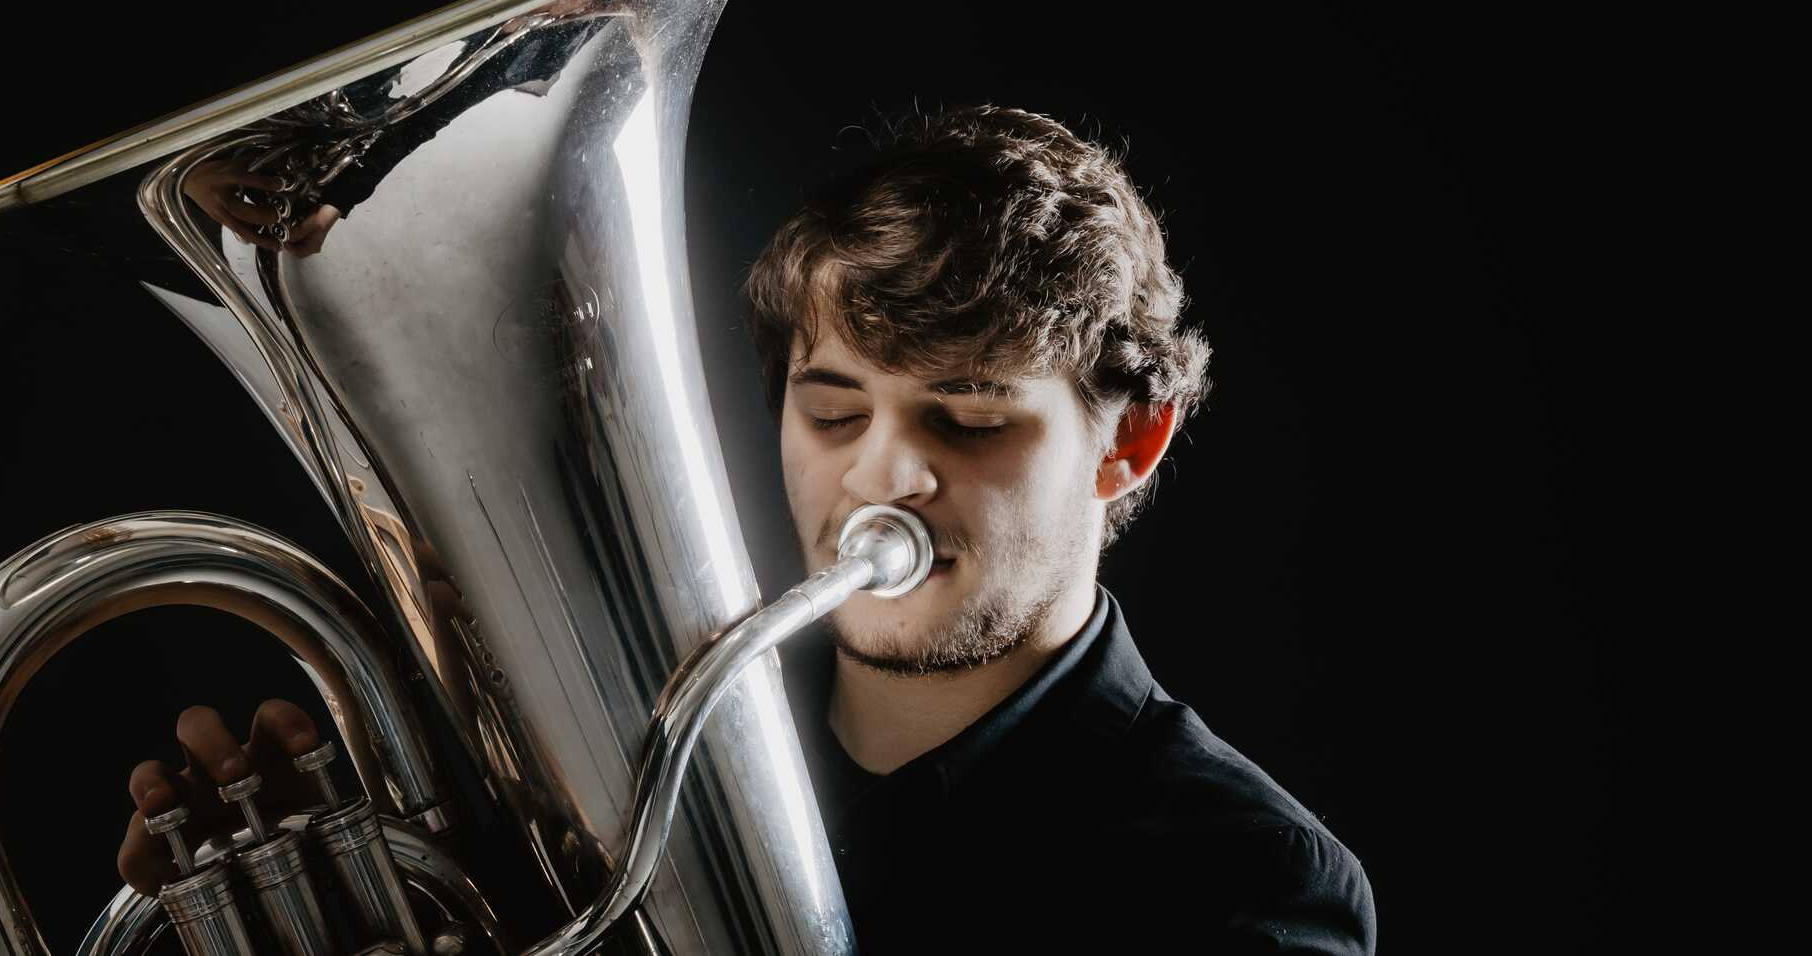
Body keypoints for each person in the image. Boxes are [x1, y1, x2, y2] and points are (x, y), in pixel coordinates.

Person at [119, 99, 1377, 952]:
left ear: (1129, 443)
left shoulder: (1249, 882)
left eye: (968, 418)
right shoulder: (588, 781)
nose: (888, 473)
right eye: (834, 410)